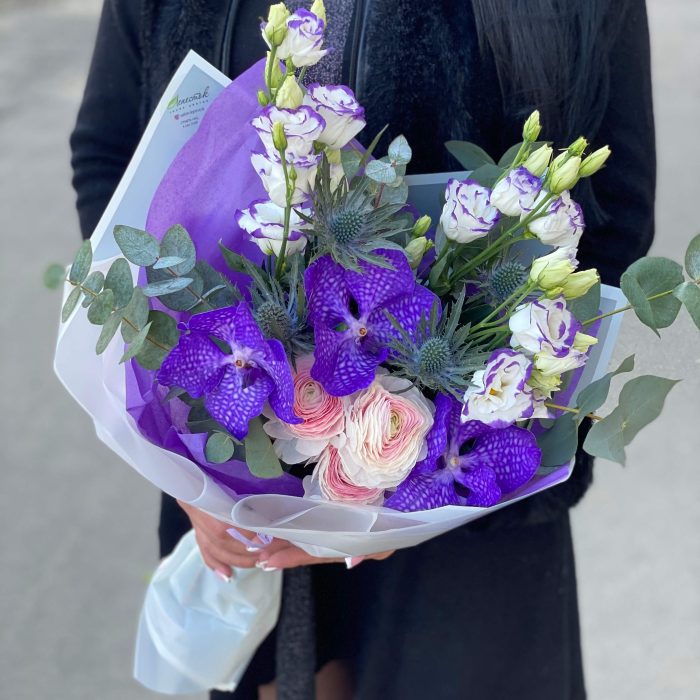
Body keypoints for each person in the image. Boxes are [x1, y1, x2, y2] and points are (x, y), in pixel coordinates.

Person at [70, 1, 655, 698]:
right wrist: (181, 447)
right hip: (231, 463)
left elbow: (612, 226)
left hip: (457, 497)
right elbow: (110, 155)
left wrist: (413, 495)